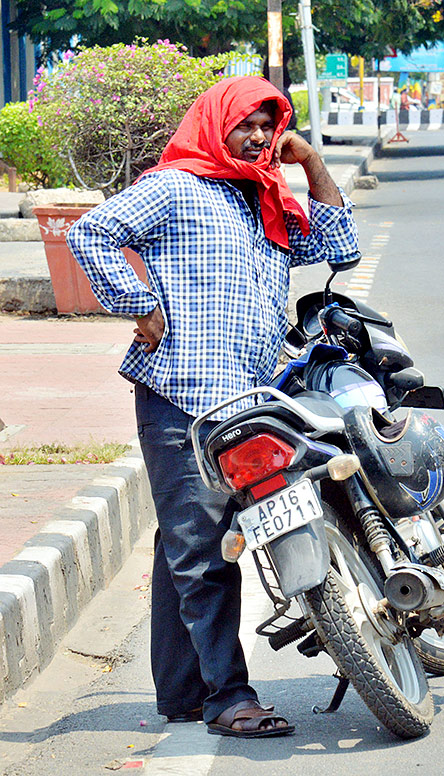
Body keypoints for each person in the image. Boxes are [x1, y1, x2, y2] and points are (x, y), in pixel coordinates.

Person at [66, 76, 360, 738]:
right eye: (246, 124)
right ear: (214, 124)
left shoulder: (265, 199)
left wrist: (309, 162)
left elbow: (341, 245)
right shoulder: (176, 187)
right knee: (202, 550)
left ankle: (181, 691)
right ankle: (228, 697)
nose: (258, 136)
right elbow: (93, 232)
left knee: (187, 543)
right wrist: (138, 305)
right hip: (185, 399)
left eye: (267, 123)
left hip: (251, 402)